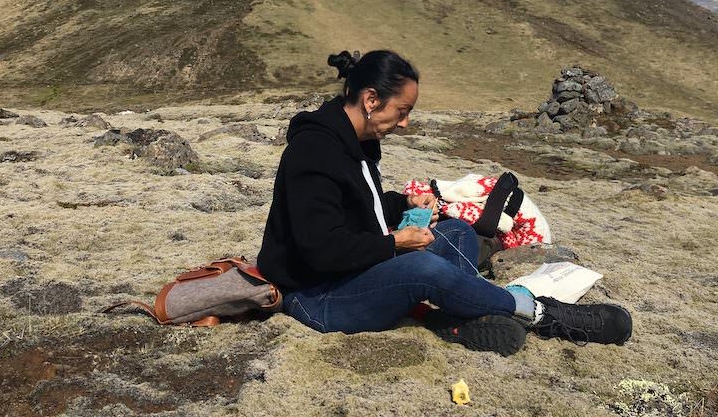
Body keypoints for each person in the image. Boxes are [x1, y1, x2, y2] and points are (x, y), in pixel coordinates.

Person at [257, 49, 632, 355]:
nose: (404, 124)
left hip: (350, 273)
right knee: (423, 267)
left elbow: (358, 207)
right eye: (401, 112)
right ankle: (539, 313)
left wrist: (404, 204)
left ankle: (459, 315)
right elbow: (322, 250)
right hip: (317, 296)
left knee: (455, 232)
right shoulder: (314, 152)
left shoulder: (357, 141)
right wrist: (395, 243)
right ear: (371, 99)